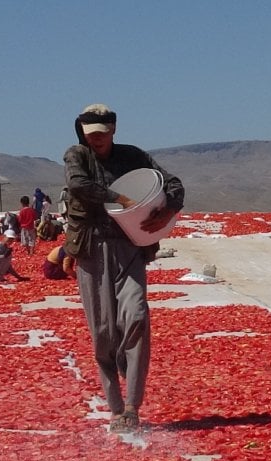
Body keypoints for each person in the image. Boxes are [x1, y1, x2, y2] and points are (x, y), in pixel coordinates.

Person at [63, 103, 184, 433]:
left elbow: (173, 183)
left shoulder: (133, 156)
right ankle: (115, 407)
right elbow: (79, 185)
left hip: (130, 247)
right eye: (91, 135)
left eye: (102, 134)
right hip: (92, 251)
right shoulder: (77, 155)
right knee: (103, 331)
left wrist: (169, 206)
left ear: (113, 130)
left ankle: (132, 405)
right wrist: (122, 198)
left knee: (136, 316)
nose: (96, 140)